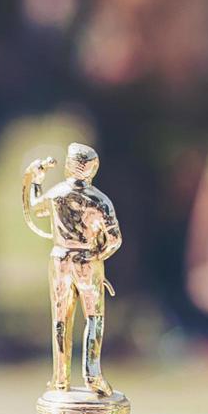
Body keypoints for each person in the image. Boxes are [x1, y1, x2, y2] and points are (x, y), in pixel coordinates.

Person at [23, 144, 123, 396]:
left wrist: (36, 181)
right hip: (87, 261)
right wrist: (98, 256)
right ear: (93, 170)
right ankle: (92, 375)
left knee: (60, 319)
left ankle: (59, 378)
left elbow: (34, 208)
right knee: (94, 317)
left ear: (69, 166)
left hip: (59, 259)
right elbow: (114, 240)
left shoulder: (57, 194)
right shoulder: (99, 201)